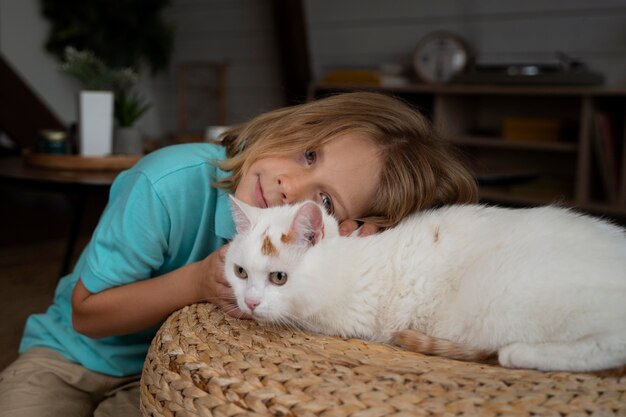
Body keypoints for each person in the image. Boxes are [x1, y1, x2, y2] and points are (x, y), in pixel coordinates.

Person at [0, 92, 478, 417]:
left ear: (347, 228)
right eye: (308, 155)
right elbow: (86, 317)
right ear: (297, 123)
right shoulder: (166, 182)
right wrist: (194, 283)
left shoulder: (320, 249)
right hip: (72, 355)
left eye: (326, 201)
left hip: (175, 365)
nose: (288, 183)